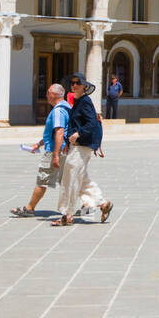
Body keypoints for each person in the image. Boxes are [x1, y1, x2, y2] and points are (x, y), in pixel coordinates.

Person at [56, 72, 113, 226]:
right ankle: (102, 203)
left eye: (77, 83)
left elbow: (91, 123)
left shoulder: (85, 101)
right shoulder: (78, 101)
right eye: (72, 83)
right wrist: (69, 142)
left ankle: (67, 215)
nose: (74, 85)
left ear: (84, 86)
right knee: (81, 179)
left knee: (71, 177)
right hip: (77, 145)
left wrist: (77, 134)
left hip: (82, 145)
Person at [11, 83, 70, 218]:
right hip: (61, 149)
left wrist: (55, 155)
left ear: (54, 95)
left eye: (48, 92)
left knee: (42, 180)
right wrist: (39, 144)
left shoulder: (58, 111)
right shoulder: (66, 107)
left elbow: (59, 132)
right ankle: (89, 203)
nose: (46, 95)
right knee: (66, 181)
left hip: (55, 151)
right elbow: (55, 133)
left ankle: (29, 208)